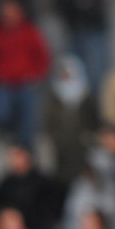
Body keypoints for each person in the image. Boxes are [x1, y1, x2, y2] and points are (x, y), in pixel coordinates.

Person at [0, 0, 50, 149]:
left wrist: (36, 74)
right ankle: (13, 142)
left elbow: (42, 56)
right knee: (2, 114)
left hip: (25, 83)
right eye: (6, 14)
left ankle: (27, 152)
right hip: (3, 84)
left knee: (27, 122)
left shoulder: (29, 32)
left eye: (12, 13)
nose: (9, 17)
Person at [54, 0, 110, 95]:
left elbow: (96, 6)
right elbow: (60, 3)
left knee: (96, 77)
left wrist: (80, 1)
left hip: (94, 33)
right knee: (72, 78)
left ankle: (96, 109)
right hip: (74, 32)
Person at [44, 55, 98, 185]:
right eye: (63, 72)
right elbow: (49, 121)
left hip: (82, 145)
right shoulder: (54, 95)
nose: (66, 75)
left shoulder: (85, 94)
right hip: (61, 146)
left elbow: (92, 119)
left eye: (68, 72)